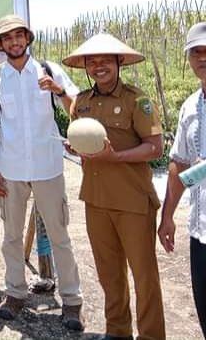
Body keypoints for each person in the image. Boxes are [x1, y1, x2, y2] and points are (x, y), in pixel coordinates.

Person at [0, 15, 84, 330]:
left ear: (28, 38)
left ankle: (71, 301)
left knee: (59, 235)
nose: (14, 42)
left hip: (47, 166)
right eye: (7, 38)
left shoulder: (49, 71)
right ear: (0, 45)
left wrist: (58, 89)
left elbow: (77, 109)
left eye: (18, 36)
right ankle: (15, 293)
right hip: (10, 167)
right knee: (11, 236)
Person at [65, 33, 165, 340]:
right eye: (92, 62)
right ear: (85, 68)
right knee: (109, 274)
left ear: (119, 62)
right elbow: (81, 144)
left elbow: (155, 148)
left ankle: (150, 335)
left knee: (144, 276)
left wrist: (114, 157)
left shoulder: (137, 100)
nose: (99, 67)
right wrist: (75, 147)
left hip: (133, 200)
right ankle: (117, 330)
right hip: (96, 200)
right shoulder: (80, 103)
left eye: (105, 60)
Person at [158, 21, 206, 336]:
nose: (203, 58)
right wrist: (167, 216)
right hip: (201, 229)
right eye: (196, 52)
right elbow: (178, 163)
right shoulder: (190, 106)